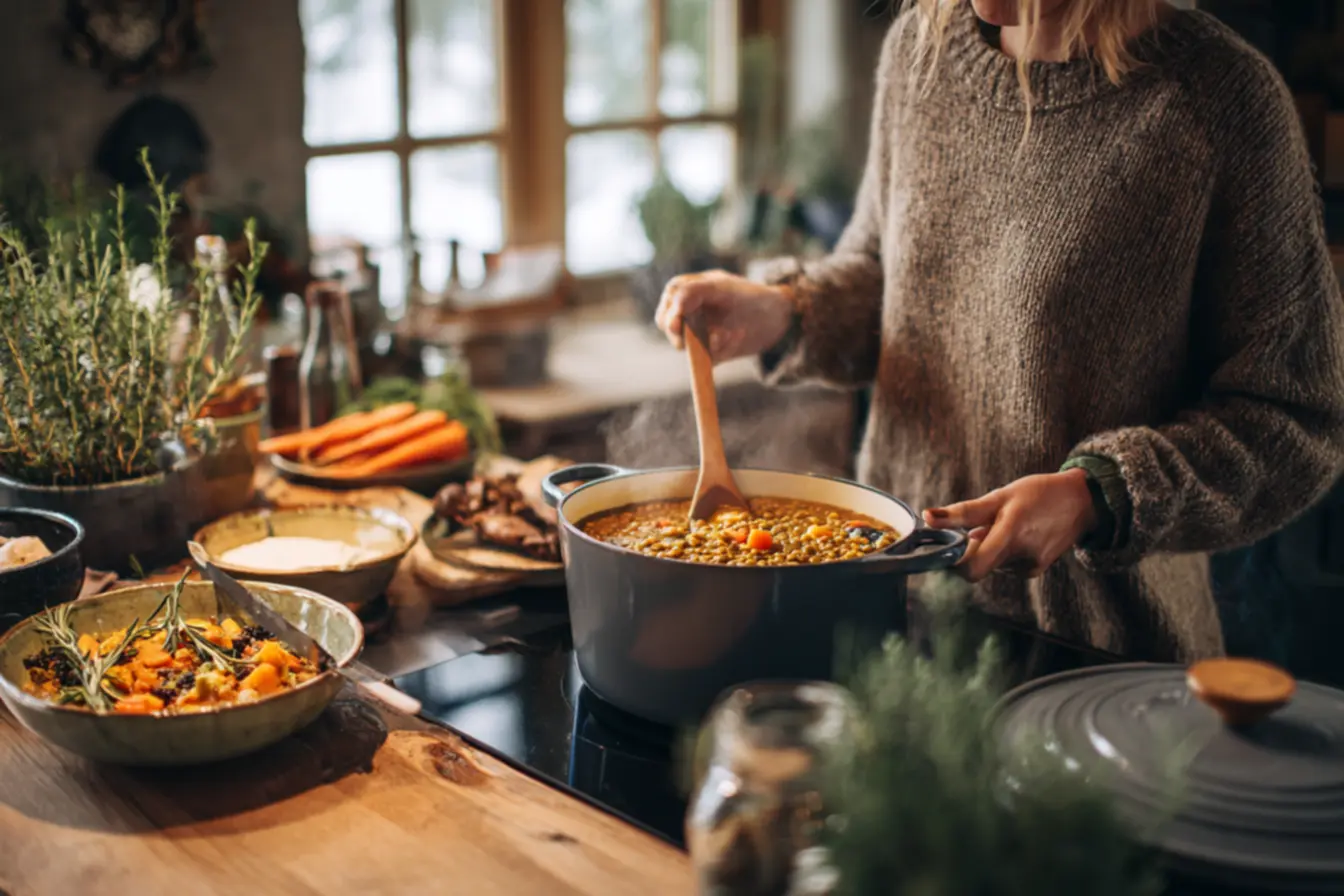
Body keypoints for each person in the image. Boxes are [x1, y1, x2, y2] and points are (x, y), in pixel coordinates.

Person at [655, 0, 1344, 661]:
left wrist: (1097, 495)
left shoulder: (1221, 103)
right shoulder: (919, 55)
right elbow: (890, 279)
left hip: (1098, 657)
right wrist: (784, 310)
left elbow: (1297, 421)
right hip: (896, 614)